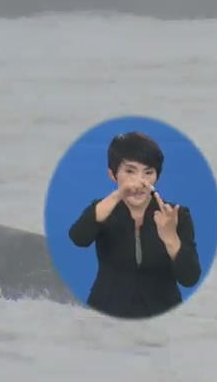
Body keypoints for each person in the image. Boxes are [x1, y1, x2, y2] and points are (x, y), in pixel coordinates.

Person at [68, 131, 202, 319]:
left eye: (148, 172)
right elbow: (78, 238)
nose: (140, 182)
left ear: (157, 177)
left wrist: (170, 237)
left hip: (163, 317)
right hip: (105, 314)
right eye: (130, 171)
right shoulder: (103, 209)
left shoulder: (177, 215)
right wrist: (118, 195)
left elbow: (190, 278)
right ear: (113, 175)